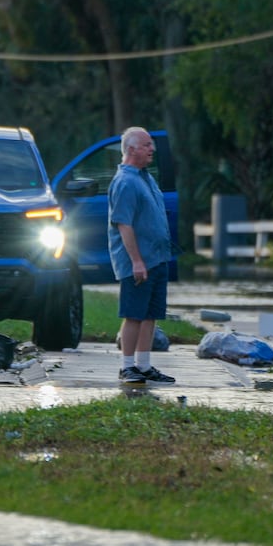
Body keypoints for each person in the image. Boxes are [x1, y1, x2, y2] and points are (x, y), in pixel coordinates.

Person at [107, 126, 177, 384]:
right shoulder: (125, 182)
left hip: (157, 259)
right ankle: (127, 367)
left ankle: (144, 366)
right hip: (138, 262)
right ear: (132, 149)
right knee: (134, 314)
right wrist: (136, 261)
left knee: (151, 314)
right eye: (147, 145)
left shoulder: (145, 177)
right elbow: (124, 224)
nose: (152, 149)